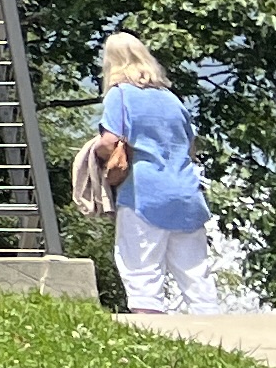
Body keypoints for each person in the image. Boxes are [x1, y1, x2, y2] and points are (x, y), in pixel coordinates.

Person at [90, 32, 221, 315]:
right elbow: (190, 147)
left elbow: (109, 142)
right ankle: (217, 333)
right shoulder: (172, 99)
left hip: (144, 195)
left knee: (142, 274)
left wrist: (95, 153)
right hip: (186, 195)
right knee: (197, 278)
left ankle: (149, 331)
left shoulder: (120, 95)